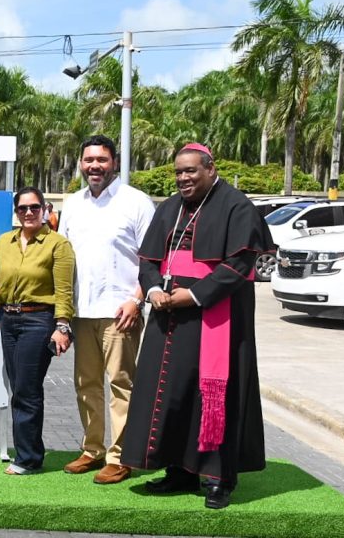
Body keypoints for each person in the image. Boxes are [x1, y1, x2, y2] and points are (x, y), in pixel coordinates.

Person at [121, 143, 273, 509]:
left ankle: (219, 479)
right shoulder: (171, 208)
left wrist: (194, 295)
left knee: (213, 395)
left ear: (210, 168)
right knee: (171, 391)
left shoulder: (236, 205)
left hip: (214, 313)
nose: (183, 178)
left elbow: (239, 265)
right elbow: (148, 259)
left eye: (190, 171)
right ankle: (178, 470)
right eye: (178, 173)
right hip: (167, 312)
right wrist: (155, 289)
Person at [58, 135, 155, 484]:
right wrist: (64, 316)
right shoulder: (72, 204)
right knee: (85, 383)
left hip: (120, 312)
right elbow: (63, 260)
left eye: (101, 160)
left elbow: (152, 259)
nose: (94, 166)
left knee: (120, 384)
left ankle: (120, 456)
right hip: (82, 311)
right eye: (88, 160)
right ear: (81, 164)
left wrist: (137, 299)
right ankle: (92, 448)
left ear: (113, 162)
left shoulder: (137, 203)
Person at [0, 186, 75, 475]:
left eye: (34, 207)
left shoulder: (57, 245)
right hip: (8, 322)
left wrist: (63, 327)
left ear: (45, 209)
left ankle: (29, 458)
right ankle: (27, 451)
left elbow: (64, 291)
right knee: (18, 387)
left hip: (38, 321)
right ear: (16, 211)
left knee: (27, 389)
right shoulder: (4, 242)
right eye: (22, 208)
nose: (28, 213)